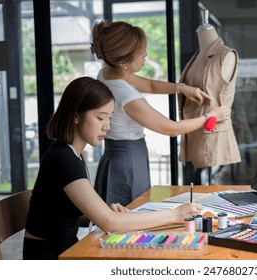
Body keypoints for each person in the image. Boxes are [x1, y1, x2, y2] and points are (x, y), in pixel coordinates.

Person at [22, 77, 202, 260]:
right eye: (100, 117)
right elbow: (110, 223)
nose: (106, 126)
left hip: (64, 250)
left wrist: (102, 210)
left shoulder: (69, 154)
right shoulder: (63, 159)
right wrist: (175, 214)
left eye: (110, 118)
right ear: (76, 116)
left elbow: (65, 213)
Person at [90, 20, 231, 206]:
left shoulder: (109, 72)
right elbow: (171, 129)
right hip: (128, 159)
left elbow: (149, 85)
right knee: (131, 214)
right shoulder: (124, 93)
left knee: (118, 212)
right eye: (141, 52)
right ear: (124, 61)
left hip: (114, 155)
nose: (145, 55)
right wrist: (210, 116)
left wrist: (182, 88)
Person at [178, 10, 241, 174]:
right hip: (192, 134)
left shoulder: (225, 55)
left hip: (213, 137)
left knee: (210, 193)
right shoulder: (196, 55)